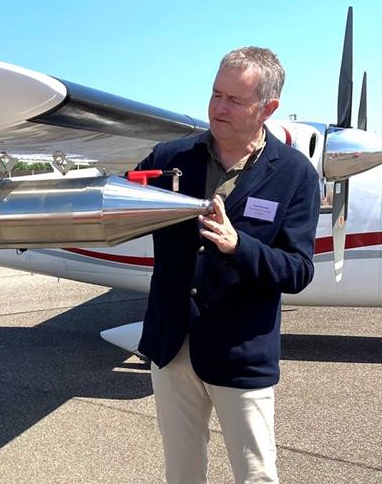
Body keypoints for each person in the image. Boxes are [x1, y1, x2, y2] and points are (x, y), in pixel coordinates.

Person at [135, 47, 320, 483]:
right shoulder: (169, 159)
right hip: (171, 346)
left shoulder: (295, 175)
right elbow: (121, 201)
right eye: (216, 93)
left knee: (256, 475)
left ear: (267, 108)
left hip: (240, 355)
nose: (218, 107)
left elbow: (298, 270)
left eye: (234, 100)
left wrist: (240, 247)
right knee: (181, 473)